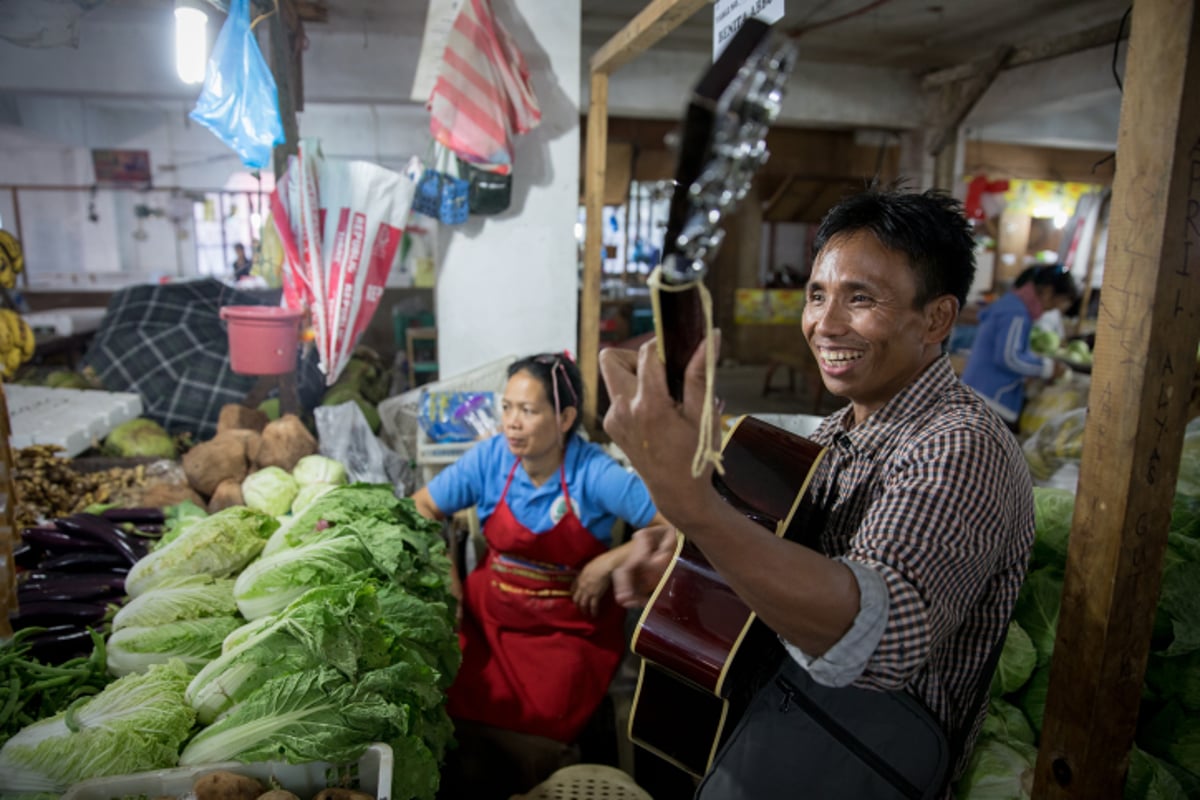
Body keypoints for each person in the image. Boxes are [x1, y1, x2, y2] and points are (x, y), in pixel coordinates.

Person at [600, 188, 1035, 798]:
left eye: (861, 299)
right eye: (817, 294)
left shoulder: (961, 444)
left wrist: (695, 508)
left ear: (936, 319)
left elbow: (873, 639)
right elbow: (772, 550)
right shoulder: (835, 433)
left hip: (857, 757)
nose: (825, 324)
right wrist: (687, 547)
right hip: (779, 731)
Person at [410, 352, 669, 800]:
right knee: (447, 700)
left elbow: (671, 524)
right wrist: (448, 576)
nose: (511, 423)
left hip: (568, 628)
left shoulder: (593, 471)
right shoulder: (492, 458)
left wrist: (608, 562)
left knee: (540, 726)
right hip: (488, 618)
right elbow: (423, 506)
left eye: (528, 411)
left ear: (565, 417)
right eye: (507, 407)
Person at [960, 263, 1079, 429]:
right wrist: (1048, 368)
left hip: (980, 393)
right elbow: (1008, 358)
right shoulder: (1016, 312)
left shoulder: (1013, 305)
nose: (1059, 308)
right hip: (990, 398)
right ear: (1048, 291)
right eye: (1062, 301)